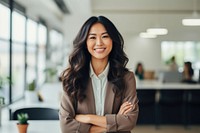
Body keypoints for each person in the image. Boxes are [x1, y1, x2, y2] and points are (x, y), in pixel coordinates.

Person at [59, 16, 139, 133]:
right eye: (92, 37)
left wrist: (88, 118)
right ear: (85, 42)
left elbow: (129, 121)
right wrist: (115, 122)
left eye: (105, 36)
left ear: (113, 40)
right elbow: (66, 126)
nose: (99, 43)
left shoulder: (127, 78)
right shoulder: (72, 78)